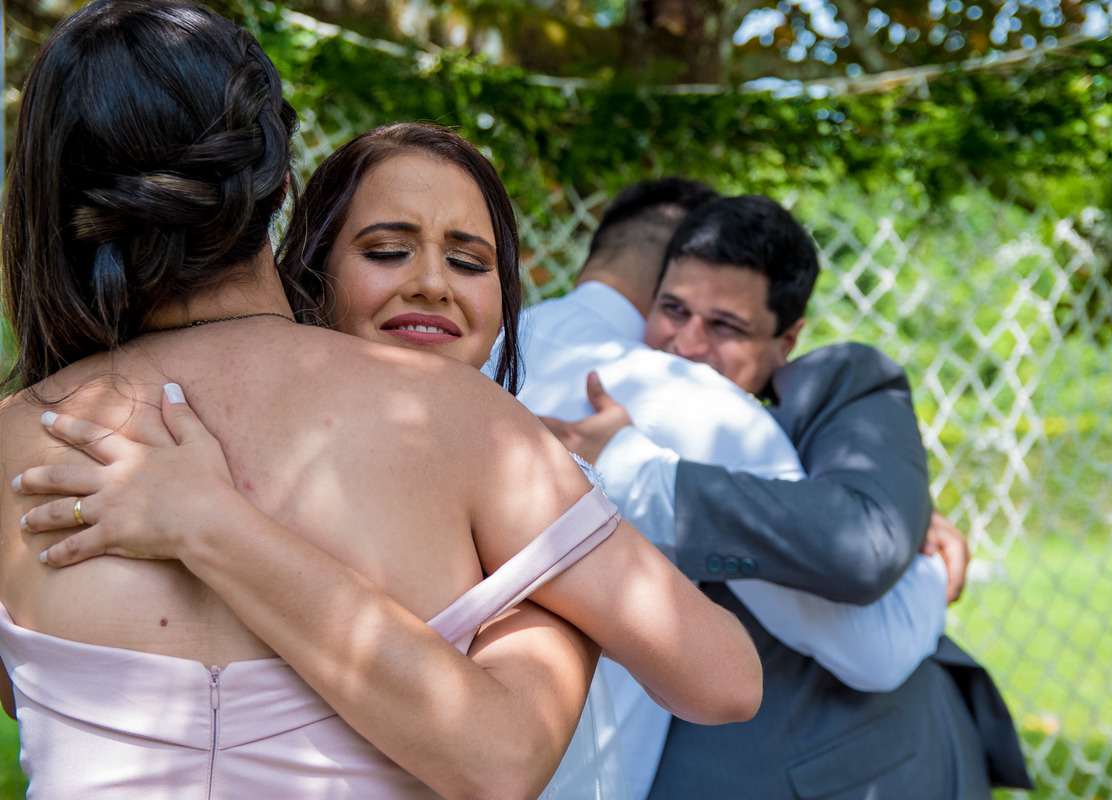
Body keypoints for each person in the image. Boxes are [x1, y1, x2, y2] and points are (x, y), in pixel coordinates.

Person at [0, 4, 761, 798]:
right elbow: (720, 681)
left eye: (468, 260)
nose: (429, 282)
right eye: (389, 250)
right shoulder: (463, 424)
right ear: (280, 182)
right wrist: (543, 604)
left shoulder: (18, 443)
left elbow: (36, 699)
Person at [549, 192, 1034, 798]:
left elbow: (866, 546)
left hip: (871, 765)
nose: (687, 344)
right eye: (673, 309)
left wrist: (926, 564)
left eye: (726, 326)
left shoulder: (841, 385)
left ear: (787, 340)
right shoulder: (622, 387)